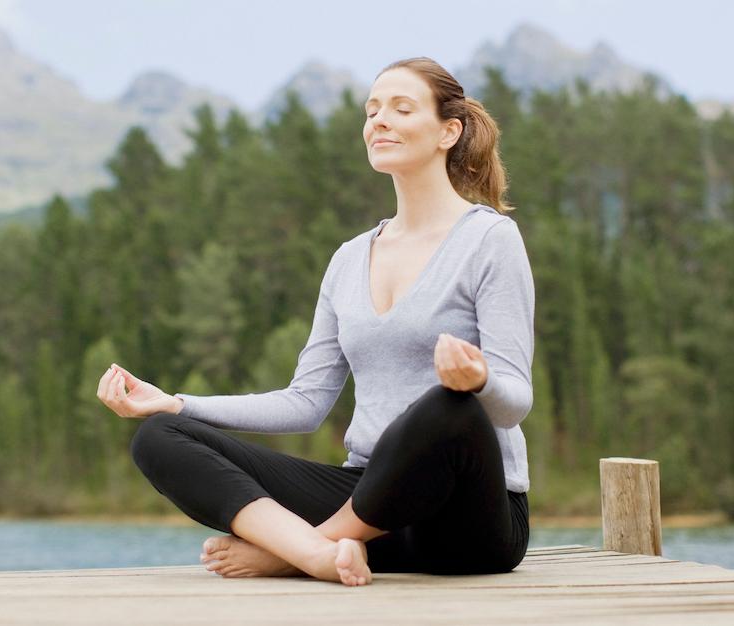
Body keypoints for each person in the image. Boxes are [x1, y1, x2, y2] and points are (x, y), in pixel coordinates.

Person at [95, 56, 535, 587]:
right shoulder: (349, 259)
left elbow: (515, 403)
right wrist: (176, 402)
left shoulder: (489, 240)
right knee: (160, 436)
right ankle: (318, 551)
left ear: (449, 131)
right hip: (375, 510)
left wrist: (478, 381)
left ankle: (294, 552)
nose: (380, 121)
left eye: (400, 108)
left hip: (469, 525)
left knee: (447, 407)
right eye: (372, 111)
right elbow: (306, 402)